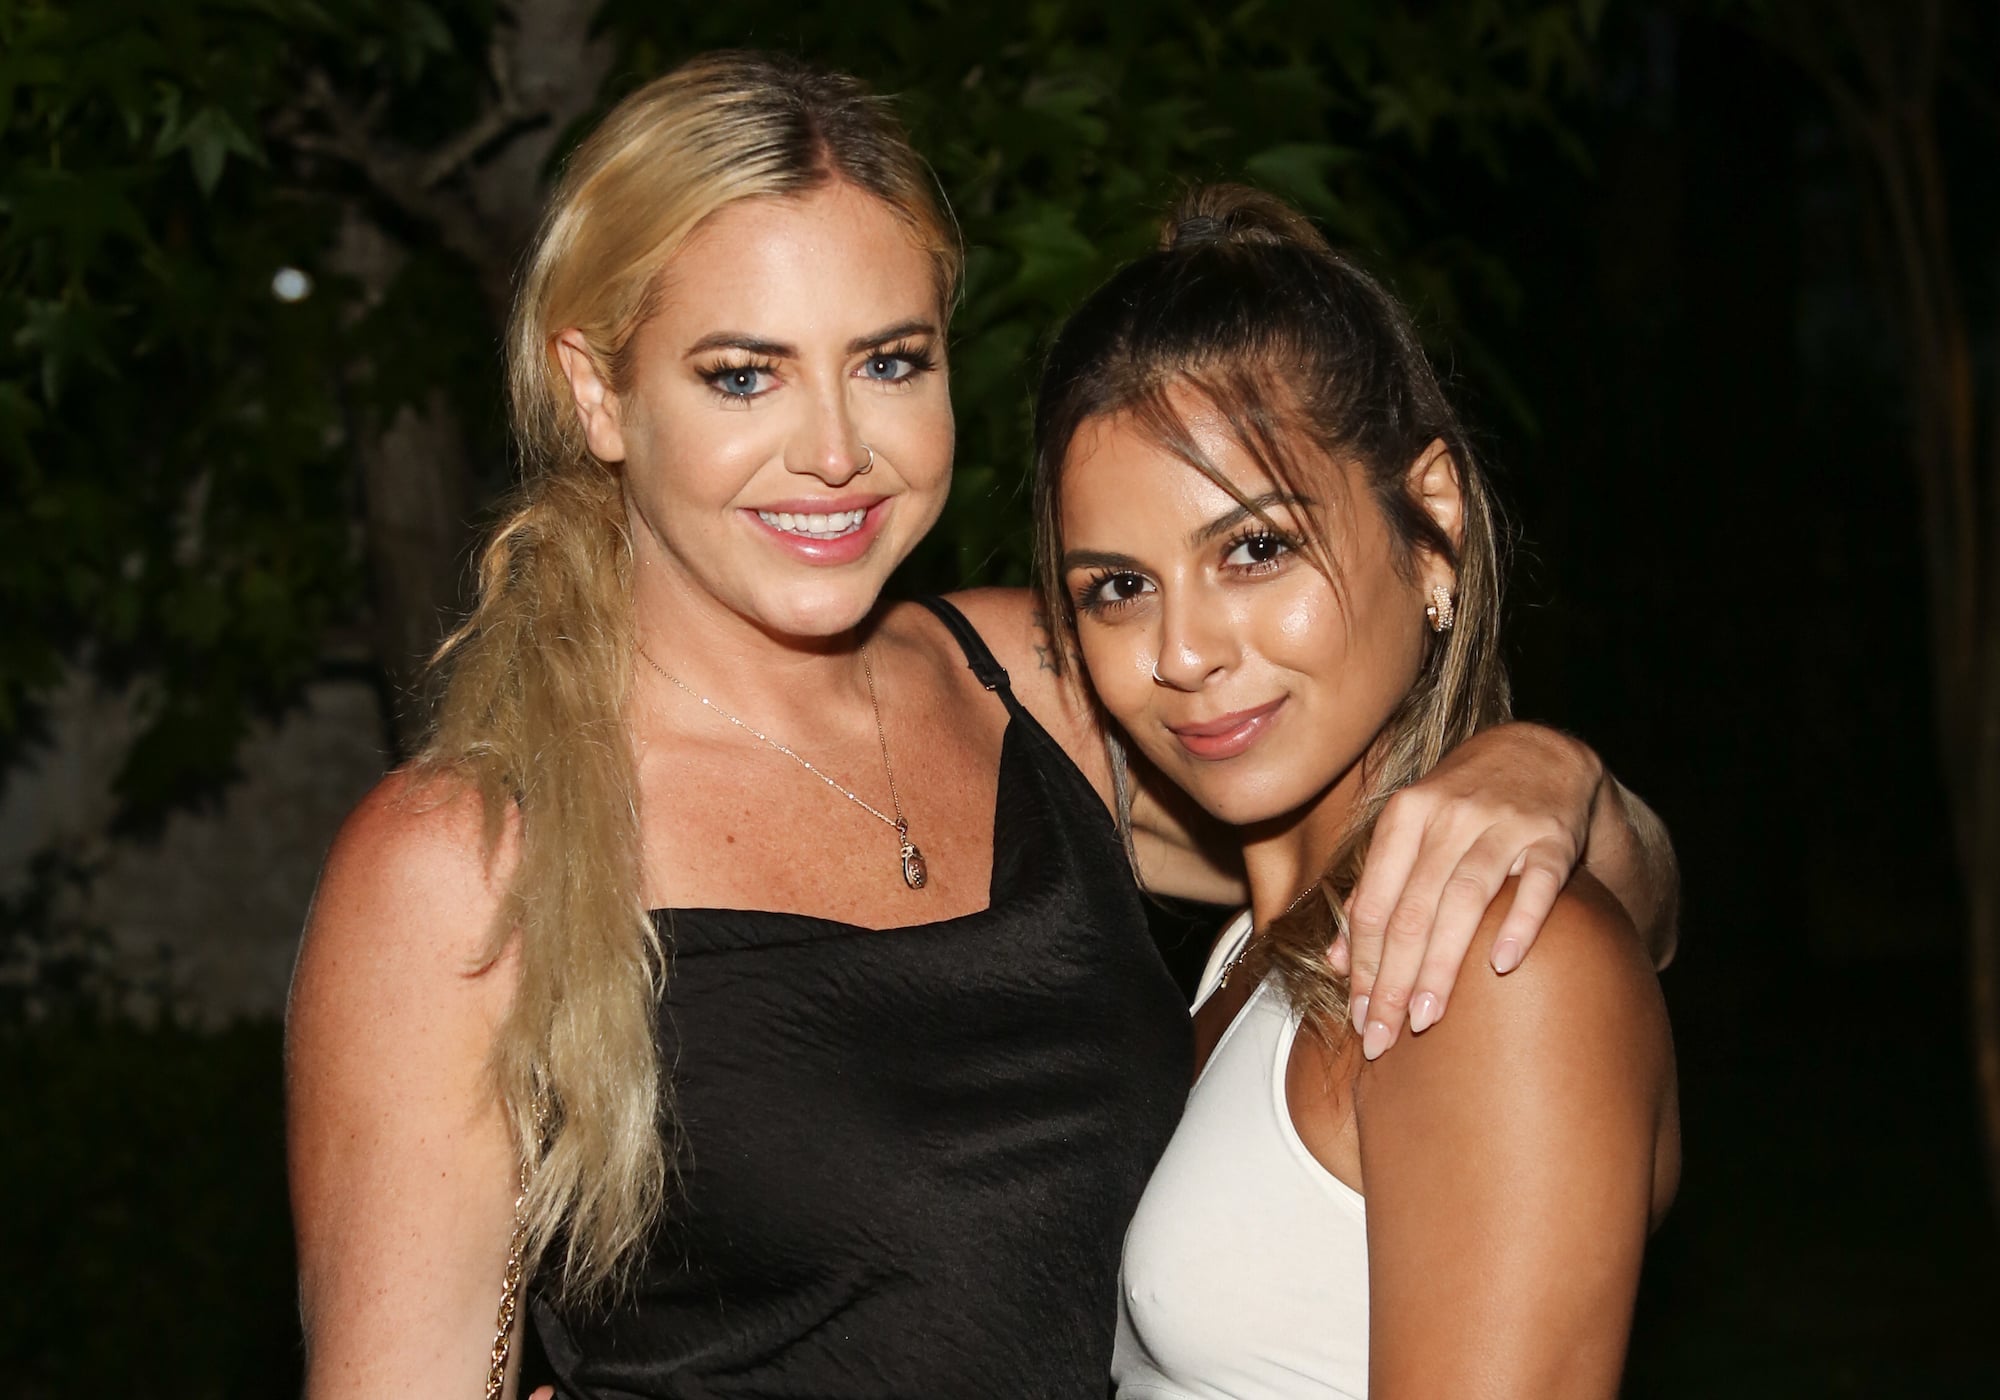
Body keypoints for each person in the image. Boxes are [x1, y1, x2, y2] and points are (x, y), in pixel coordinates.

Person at [284, 53, 1679, 1399]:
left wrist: (1544, 774)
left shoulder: (1044, 685)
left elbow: (1582, 915)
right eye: (744, 374)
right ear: (599, 390)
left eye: (889, 362)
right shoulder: (462, 869)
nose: (834, 449)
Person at [1032, 183, 1680, 1400]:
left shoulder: (1486, 961)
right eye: (1116, 585)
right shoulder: (1256, 944)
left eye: (1254, 548)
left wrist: (1568, 775)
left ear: (1429, 526)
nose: (1182, 651)